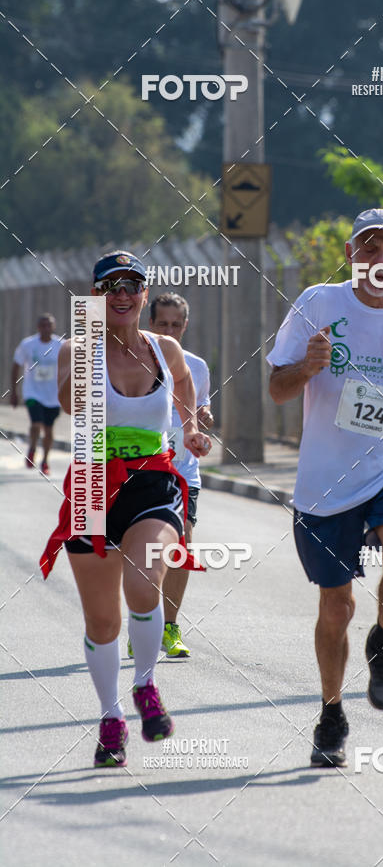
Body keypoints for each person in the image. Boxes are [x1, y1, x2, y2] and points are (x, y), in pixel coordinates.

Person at [267, 209, 383, 768]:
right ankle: (331, 712)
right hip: (325, 481)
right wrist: (305, 367)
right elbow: (276, 388)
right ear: (350, 255)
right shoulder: (318, 303)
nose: (380, 260)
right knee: (336, 606)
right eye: (369, 249)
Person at [40, 251, 211, 768]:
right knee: (102, 621)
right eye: (109, 286)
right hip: (92, 479)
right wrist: (92, 346)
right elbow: (72, 404)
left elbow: (183, 384)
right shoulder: (76, 346)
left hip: (153, 479)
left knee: (143, 583)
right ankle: (111, 717)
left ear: (143, 294)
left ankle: (145, 685)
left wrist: (190, 428)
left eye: (131, 285)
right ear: (95, 296)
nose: (121, 294)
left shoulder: (165, 348)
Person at [128, 291, 213, 658]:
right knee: (140, 553)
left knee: (181, 546)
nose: (170, 330)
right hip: (140, 469)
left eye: (176, 325)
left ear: (185, 326)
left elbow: (200, 405)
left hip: (182, 471)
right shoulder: (131, 360)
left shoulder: (196, 365)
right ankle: (141, 625)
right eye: (162, 324)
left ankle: (171, 627)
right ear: (150, 324)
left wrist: (204, 419)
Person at [10, 313, 62, 475]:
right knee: (36, 424)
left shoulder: (61, 344)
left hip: (53, 395)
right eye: (43, 325)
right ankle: (32, 447)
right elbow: (16, 365)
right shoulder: (28, 344)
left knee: (48, 429)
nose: (46, 328)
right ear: (38, 327)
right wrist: (14, 391)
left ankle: (45, 460)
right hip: (33, 392)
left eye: (49, 325)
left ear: (53, 327)